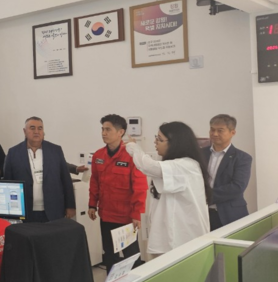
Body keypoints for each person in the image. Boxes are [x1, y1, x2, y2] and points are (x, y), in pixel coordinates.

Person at [125, 122, 211, 255]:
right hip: (171, 235)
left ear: (175, 143)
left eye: (160, 139)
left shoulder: (186, 165)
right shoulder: (175, 165)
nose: (155, 142)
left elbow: (148, 166)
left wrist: (133, 147)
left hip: (184, 239)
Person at [87, 114, 148, 272]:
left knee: (131, 256)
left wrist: (137, 214)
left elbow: (140, 187)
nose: (103, 133)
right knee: (110, 256)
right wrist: (92, 204)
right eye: (102, 129)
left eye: (108, 129)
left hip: (126, 217)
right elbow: (94, 182)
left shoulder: (131, 155)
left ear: (120, 132)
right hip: (106, 215)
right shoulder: (98, 156)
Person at [3, 117, 75, 223]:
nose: (36, 131)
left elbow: (66, 180)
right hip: (26, 211)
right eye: (32, 128)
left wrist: (70, 206)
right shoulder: (13, 152)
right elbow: (8, 183)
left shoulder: (55, 150)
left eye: (40, 128)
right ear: (24, 131)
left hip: (53, 209)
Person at [207, 114, 252, 230]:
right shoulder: (200, 154)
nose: (214, 134)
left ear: (233, 132)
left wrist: (204, 196)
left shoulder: (242, 158)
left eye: (220, 130)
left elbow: (237, 187)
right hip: (202, 213)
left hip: (230, 215)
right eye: (212, 130)